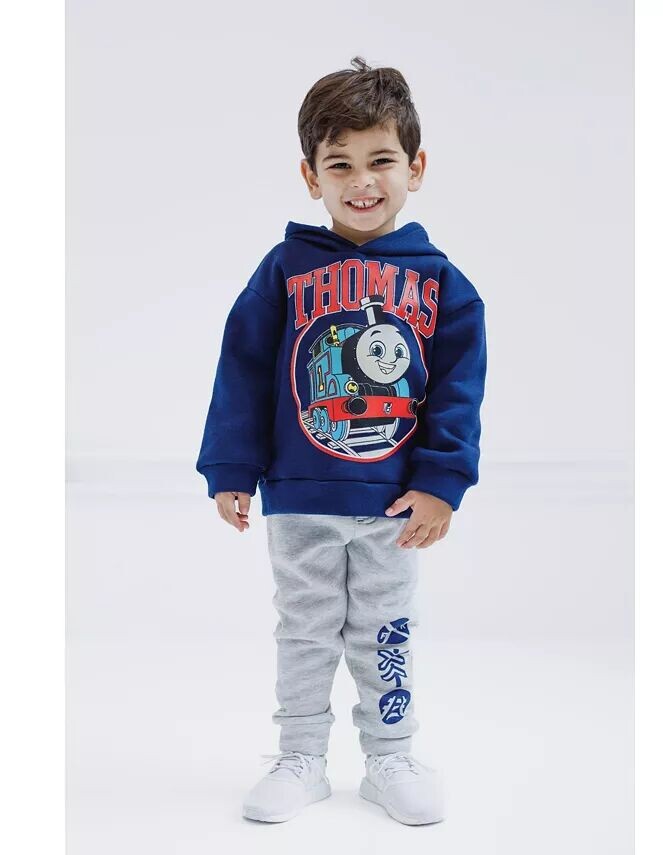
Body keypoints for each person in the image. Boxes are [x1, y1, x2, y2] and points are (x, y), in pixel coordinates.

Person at [195, 55, 487, 826]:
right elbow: (243, 367)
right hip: (300, 494)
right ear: (310, 175)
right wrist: (232, 465)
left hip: (396, 501)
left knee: (386, 629)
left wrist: (442, 481)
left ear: (415, 167)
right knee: (305, 628)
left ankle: (391, 754)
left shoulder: (441, 282)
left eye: (381, 160)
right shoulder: (285, 268)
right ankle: (301, 755)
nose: (362, 181)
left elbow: (458, 390)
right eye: (341, 164)